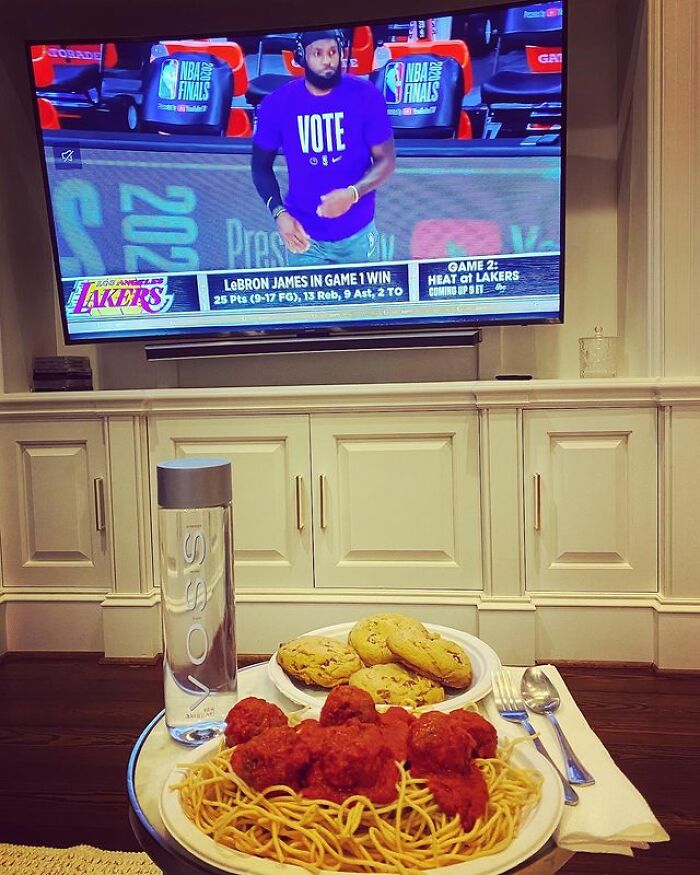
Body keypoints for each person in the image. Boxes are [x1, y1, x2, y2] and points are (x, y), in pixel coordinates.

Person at [251, 30, 396, 266]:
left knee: (362, 302)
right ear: (302, 57)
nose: (327, 61)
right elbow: (260, 167)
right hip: (303, 236)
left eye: (332, 52)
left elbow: (386, 160)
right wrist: (279, 214)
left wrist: (352, 194)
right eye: (317, 54)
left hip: (356, 234)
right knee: (307, 304)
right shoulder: (277, 104)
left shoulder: (365, 95)